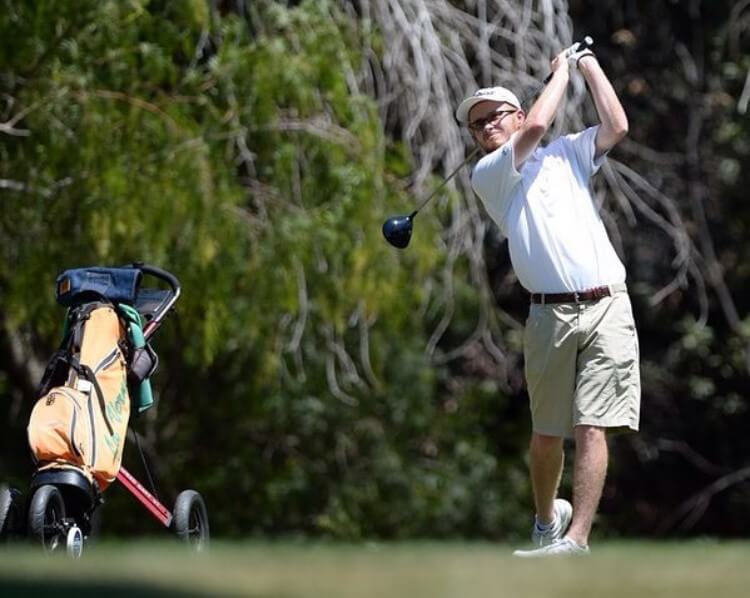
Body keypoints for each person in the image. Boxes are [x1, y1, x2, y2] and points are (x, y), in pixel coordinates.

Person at [455, 45, 640, 556]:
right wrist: (560, 72)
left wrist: (589, 65)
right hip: (548, 313)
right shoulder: (490, 172)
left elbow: (617, 126)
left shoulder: (568, 153)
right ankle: (545, 520)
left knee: (591, 424)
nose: (486, 127)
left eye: (494, 116)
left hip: (607, 305)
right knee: (546, 435)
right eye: (476, 125)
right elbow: (536, 126)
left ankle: (576, 538)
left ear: (513, 113)